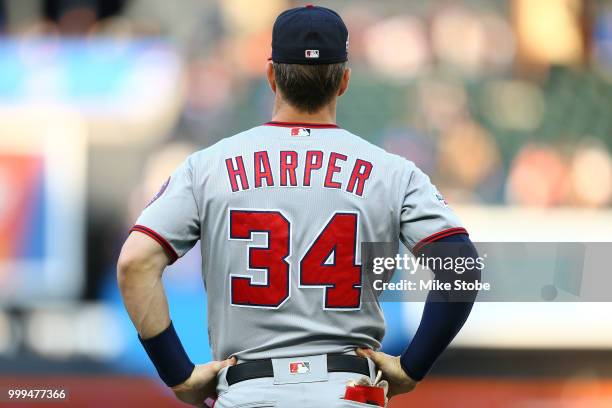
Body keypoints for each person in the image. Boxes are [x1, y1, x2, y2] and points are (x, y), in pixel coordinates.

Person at [117, 5, 479, 408]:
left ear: (272, 75)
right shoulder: (394, 172)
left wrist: (178, 373)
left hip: (248, 390)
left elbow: (135, 263)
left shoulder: (207, 166)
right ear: (343, 80)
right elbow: (460, 265)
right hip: (349, 392)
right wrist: (413, 366)